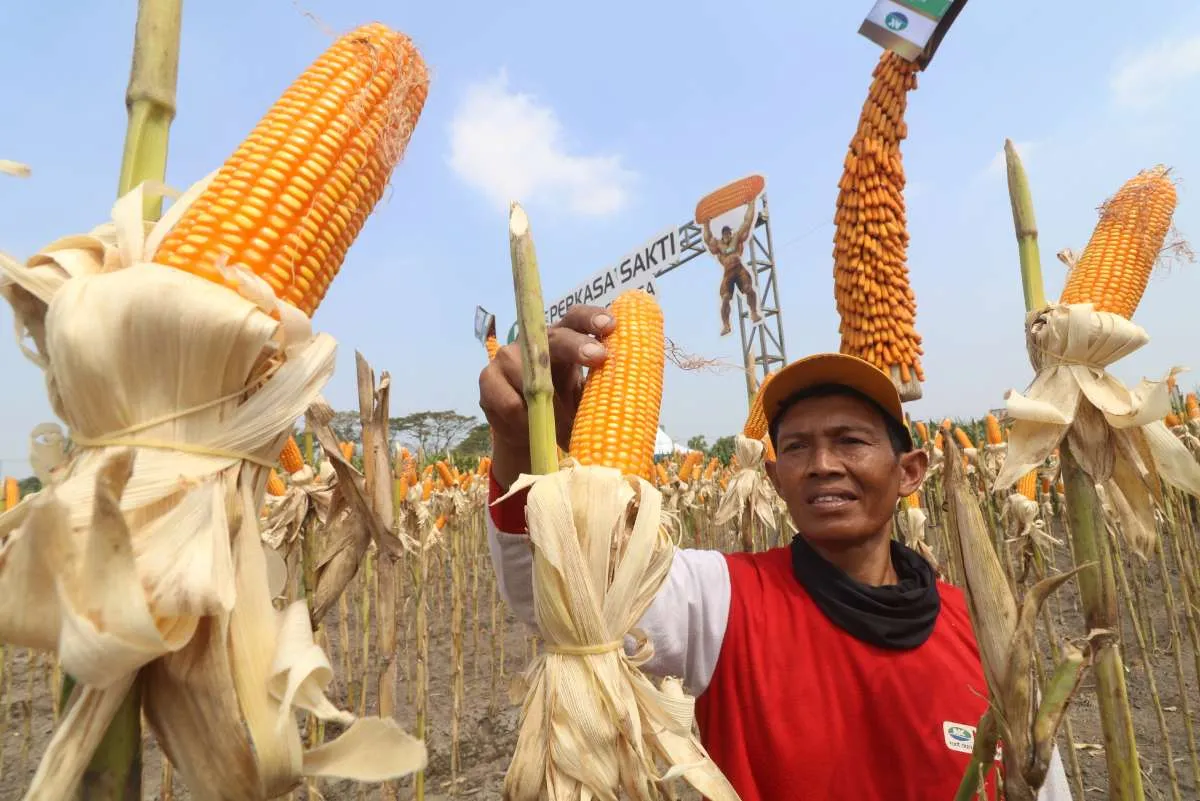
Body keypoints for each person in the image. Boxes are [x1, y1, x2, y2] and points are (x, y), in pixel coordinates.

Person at [478, 304, 1073, 801]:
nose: (822, 465)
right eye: (796, 448)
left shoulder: (983, 631)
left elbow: (1043, 784)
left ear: (910, 471)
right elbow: (571, 593)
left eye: (850, 441)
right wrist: (519, 446)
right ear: (774, 478)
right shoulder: (721, 600)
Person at [701, 201, 763, 336]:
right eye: (725, 233)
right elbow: (707, 239)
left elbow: (747, 223)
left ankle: (753, 313)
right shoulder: (718, 245)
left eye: (728, 232)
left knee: (749, 289)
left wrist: (751, 204)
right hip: (728, 272)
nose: (727, 235)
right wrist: (706, 224)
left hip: (739, 269)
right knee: (725, 298)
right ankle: (726, 325)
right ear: (722, 235)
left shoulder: (736, 238)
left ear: (730, 232)